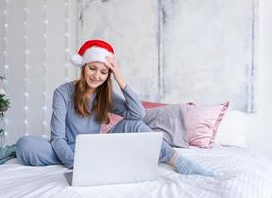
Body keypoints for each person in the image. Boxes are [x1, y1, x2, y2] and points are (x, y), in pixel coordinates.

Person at [16, 39, 213, 176]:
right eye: (92, 68)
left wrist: (120, 77)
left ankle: (178, 161)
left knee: (134, 125)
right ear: (83, 67)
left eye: (103, 72)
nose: (96, 76)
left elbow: (138, 114)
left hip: (97, 148)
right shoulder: (63, 92)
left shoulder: (106, 94)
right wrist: (77, 163)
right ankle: (92, 160)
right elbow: (58, 138)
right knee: (26, 145)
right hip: (66, 149)